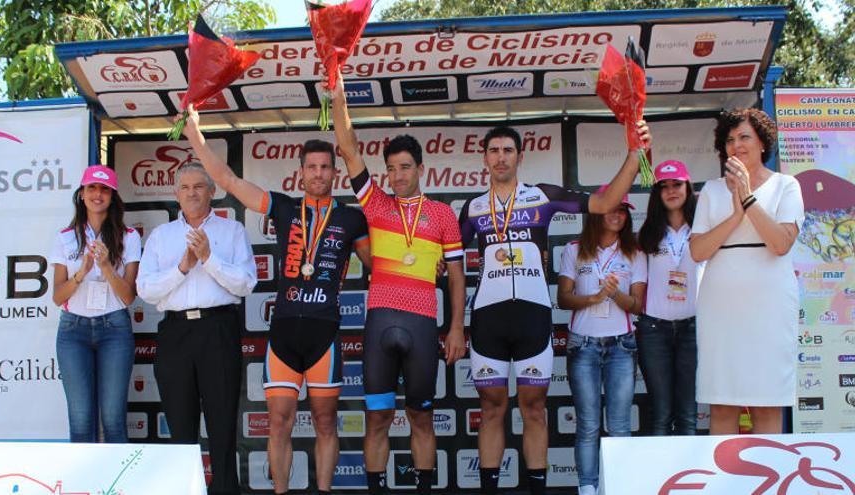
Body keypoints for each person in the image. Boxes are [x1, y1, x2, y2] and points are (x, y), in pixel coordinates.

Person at [177, 106, 371, 495]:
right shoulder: (283, 207)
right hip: (283, 333)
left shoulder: (352, 218)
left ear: (335, 172)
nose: (318, 173)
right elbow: (229, 180)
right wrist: (195, 135)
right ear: (300, 172)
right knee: (279, 421)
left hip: (325, 334)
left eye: (325, 167)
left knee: (326, 422)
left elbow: (375, 266)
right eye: (311, 167)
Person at [458, 123, 651, 495]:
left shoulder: (541, 197)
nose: (501, 157)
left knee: (533, 409)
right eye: (494, 150)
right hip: (487, 320)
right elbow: (446, 251)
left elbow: (603, 203)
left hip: (532, 317)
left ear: (519, 157)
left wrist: (633, 156)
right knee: (492, 408)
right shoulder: (473, 207)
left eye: (508, 150)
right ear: (484, 157)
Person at [331, 72, 467, 495]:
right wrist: (337, 90)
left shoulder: (443, 214)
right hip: (379, 324)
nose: (397, 175)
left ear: (421, 169)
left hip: (423, 323)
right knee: (377, 418)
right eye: (391, 169)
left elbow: (458, 275)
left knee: (422, 418)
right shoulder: (375, 204)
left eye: (405, 167)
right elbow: (349, 147)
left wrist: (458, 326)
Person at [137, 162, 256, 495]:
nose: (192, 193)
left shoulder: (231, 232)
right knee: (180, 428)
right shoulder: (162, 237)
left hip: (218, 329)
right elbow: (146, 289)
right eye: (185, 187)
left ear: (212, 191)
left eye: (199, 186)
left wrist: (209, 259)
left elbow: (246, 284)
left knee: (221, 427)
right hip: (175, 334)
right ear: (176, 194)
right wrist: (182, 267)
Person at [690, 108, 804, 434]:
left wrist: (747, 198)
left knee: (767, 401)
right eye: (730, 139)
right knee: (722, 401)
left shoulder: (786, 186)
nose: (736, 145)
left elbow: (781, 243)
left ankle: (769, 479)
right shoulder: (711, 190)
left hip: (769, 302)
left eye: (744, 137)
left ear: (762, 143)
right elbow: (698, 251)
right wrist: (735, 215)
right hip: (720, 303)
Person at [557, 187, 647, 495]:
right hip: (583, 345)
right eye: (612, 208)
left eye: (623, 210)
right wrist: (594, 297)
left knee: (620, 425)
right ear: (597, 212)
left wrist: (615, 294)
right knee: (588, 425)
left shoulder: (634, 252)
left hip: (622, 346)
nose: (617, 215)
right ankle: (588, 489)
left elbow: (636, 306)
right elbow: (564, 299)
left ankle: (618, 488)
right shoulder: (574, 249)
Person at [50, 165, 140, 443]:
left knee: (113, 420)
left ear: (113, 196)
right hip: (73, 330)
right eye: (92, 188)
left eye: (104, 189)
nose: (97, 194)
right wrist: (82, 271)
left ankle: (117, 486)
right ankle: (84, 487)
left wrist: (105, 265)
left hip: (114, 327)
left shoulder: (129, 236)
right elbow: (57, 297)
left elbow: (128, 296)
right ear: (82, 194)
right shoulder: (66, 236)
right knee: (80, 421)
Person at [635, 160, 702, 435]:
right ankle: (659, 478)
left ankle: (690, 477)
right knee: (660, 412)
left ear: (688, 187)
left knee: (687, 413)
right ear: (657, 194)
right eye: (665, 186)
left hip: (693, 327)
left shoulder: (703, 229)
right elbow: (639, 287)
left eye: (677, 184)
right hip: (654, 330)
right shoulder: (647, 234)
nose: (672, 191)